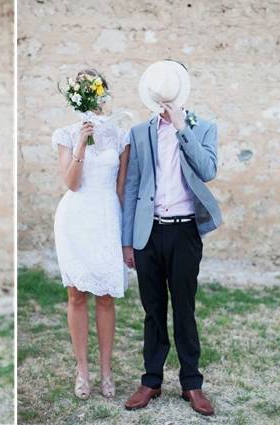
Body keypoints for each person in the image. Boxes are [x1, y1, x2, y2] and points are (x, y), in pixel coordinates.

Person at [122, 60, 222, 416]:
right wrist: (127, 241)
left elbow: (208, 170)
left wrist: (182, 128)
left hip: (184, 231)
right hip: (148, 233)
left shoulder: (204, 127)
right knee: (152, 310)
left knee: (184, 308)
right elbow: (132, 186)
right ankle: (151, 381)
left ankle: (191, 383)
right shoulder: (139, 132)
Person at [53, 69, 130, 400]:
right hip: (75, 217)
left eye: (92, 86)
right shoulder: (66, 134)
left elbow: (122, 188)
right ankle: (82, 370)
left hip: (107, 216)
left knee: (107, 296)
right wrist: (81, 143)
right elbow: (71, 183)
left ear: (103, 93)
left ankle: (106, 370)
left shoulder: (121, 135)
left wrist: (125, 235)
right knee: (76, 295)